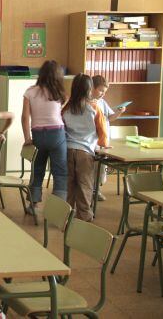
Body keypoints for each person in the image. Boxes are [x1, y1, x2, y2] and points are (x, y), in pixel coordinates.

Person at [22, 60, 68, 209]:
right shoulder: (60, 93)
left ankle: (33, 204)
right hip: (57, 134)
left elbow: (25, 117)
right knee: (60, 172)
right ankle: (58, 209)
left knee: (38, 168)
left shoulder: (30, 91)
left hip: (38, 134)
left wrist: (27, 138)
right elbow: (59, 113)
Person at [63, 73, 108, 222]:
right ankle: (84, 217)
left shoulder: (67, 107)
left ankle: (66, 216)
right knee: (85, 185)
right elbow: (102, 132)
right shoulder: (94, 107)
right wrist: (104, 144)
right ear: (89, 89)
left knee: (68, 185)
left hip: (68, 150)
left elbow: (61, 128)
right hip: (85, 153)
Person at [91, 75, 126, 201]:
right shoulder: (87, 102)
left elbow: (110, 117)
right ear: (91, 87)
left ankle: (97, 189)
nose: (102, 94)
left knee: (101, 169)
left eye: (104, 92)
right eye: (100, 90)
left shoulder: (102, 102)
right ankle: (91, 190)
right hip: (93, 142)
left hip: (103, 142)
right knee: (93, 167)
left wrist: (119, 113)